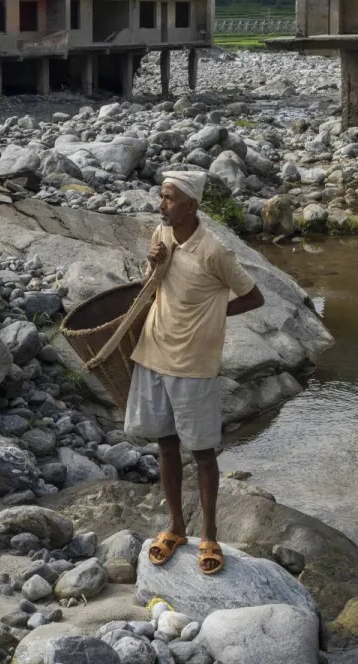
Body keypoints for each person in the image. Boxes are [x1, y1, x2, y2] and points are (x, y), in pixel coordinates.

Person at [125, 170, 265, 575]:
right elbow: (150, 289)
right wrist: (152, 267)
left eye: (169, 198)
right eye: (161, 196)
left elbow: (253, 296)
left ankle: (210, 535)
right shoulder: (161, 234)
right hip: (153, 352)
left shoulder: (214, 252)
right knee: (166, 444)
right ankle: (175, 528)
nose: (161, 203)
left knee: (202, 452)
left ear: (191, 205)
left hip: (192, 363)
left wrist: (212, 317)